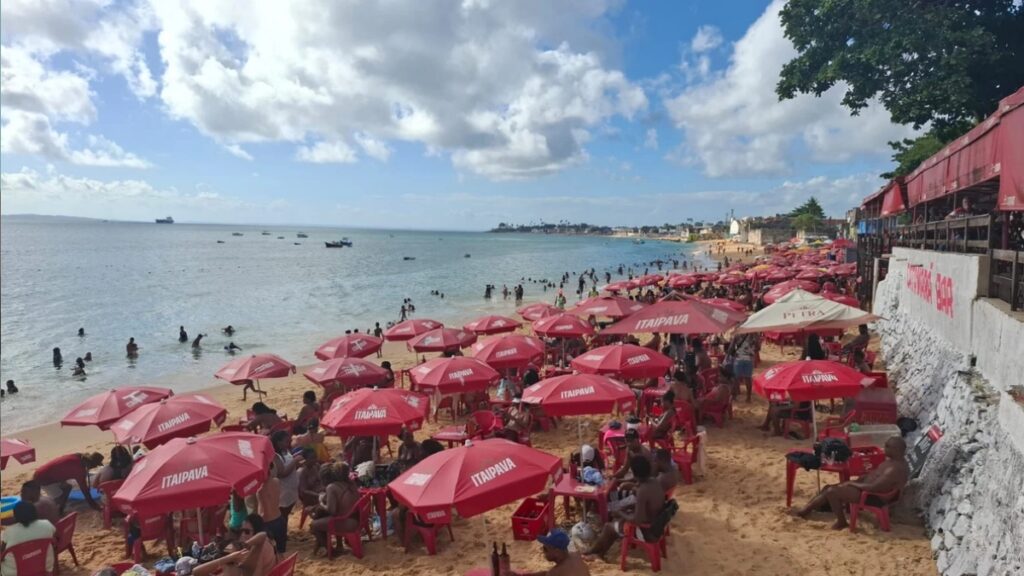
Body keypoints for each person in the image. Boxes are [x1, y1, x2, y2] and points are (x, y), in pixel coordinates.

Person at [794, 437, 910, 529]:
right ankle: (805, 510)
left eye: (887, 446)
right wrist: (857, 481)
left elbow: (874, 487)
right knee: (828, 488)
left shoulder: (894, 469)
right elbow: (873, 477)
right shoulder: (892, 462)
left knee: (832, 492)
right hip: (866, 490)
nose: (884, 448)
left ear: (897, 450)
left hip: (873, 497)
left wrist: (852, 484)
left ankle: (841, 521)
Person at [587, 456, 666, 559]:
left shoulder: (643, 491)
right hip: (656, 526)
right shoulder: (655, 482)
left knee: (608, 527)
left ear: (635, 473)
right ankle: (598, 552)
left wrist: (620, 513)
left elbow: (637, 521)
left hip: (646, 532)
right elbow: (646, 505)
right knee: (616, 522)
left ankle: (595, 552)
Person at [193, 514, 276, 576]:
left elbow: (196, 572)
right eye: (241, 531)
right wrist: (243, 545)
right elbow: (262, 535)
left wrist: (228, 558)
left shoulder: (258, 551)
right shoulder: (261, 544)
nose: (243, 535)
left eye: (247, 531)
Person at [310, 463, 360, 556]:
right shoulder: (351, 483)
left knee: (314, 525)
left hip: (347, 522)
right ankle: (338, 546)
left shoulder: (332, 487)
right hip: (356, 518)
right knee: (327, 517)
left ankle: (331, 551)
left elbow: (331, 511)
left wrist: (321, 502)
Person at [33, 452, 104, 513]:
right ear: (90, 463)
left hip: (44, 472)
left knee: (68, 487)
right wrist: (93, 504)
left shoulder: (78, 456)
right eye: (95, 465)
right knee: (59, 498)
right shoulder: (79, 470)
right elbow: (84, 490)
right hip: (43, 479)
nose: (94, 467)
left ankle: (61, 505)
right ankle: (58, 511)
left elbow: (64, 467)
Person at [1, 502, 57, 576]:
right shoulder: (47, 524)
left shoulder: (9, 531)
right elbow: (55, 538)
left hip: (15, 572)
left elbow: (2, 552)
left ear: (15, 516)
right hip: (43, 566)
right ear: (35, 512)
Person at [519, 528, 590, 576]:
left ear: (557, 551)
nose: (543, 551)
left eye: (545, 549)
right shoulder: (576, 556)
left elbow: (553, 573)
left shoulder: (554, 573)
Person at [270, 431, 303, 526]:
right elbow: (282, 473)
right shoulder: (275, 456)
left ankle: (284, 531)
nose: (288, 443)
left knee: (286, 513)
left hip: (290, 489)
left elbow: (290, 466)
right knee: (282, 514)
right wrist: (295, 461)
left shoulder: (286, 451)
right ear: (278, 442)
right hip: (283, 490)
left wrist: (297, 464)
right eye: (286, 441)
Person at [256, 462, 286, 554]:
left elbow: (263, 512)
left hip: (268, 523)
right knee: (281, 551)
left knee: (270, 552)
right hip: (279, 519)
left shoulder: (260, 490)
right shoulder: (276, 481)